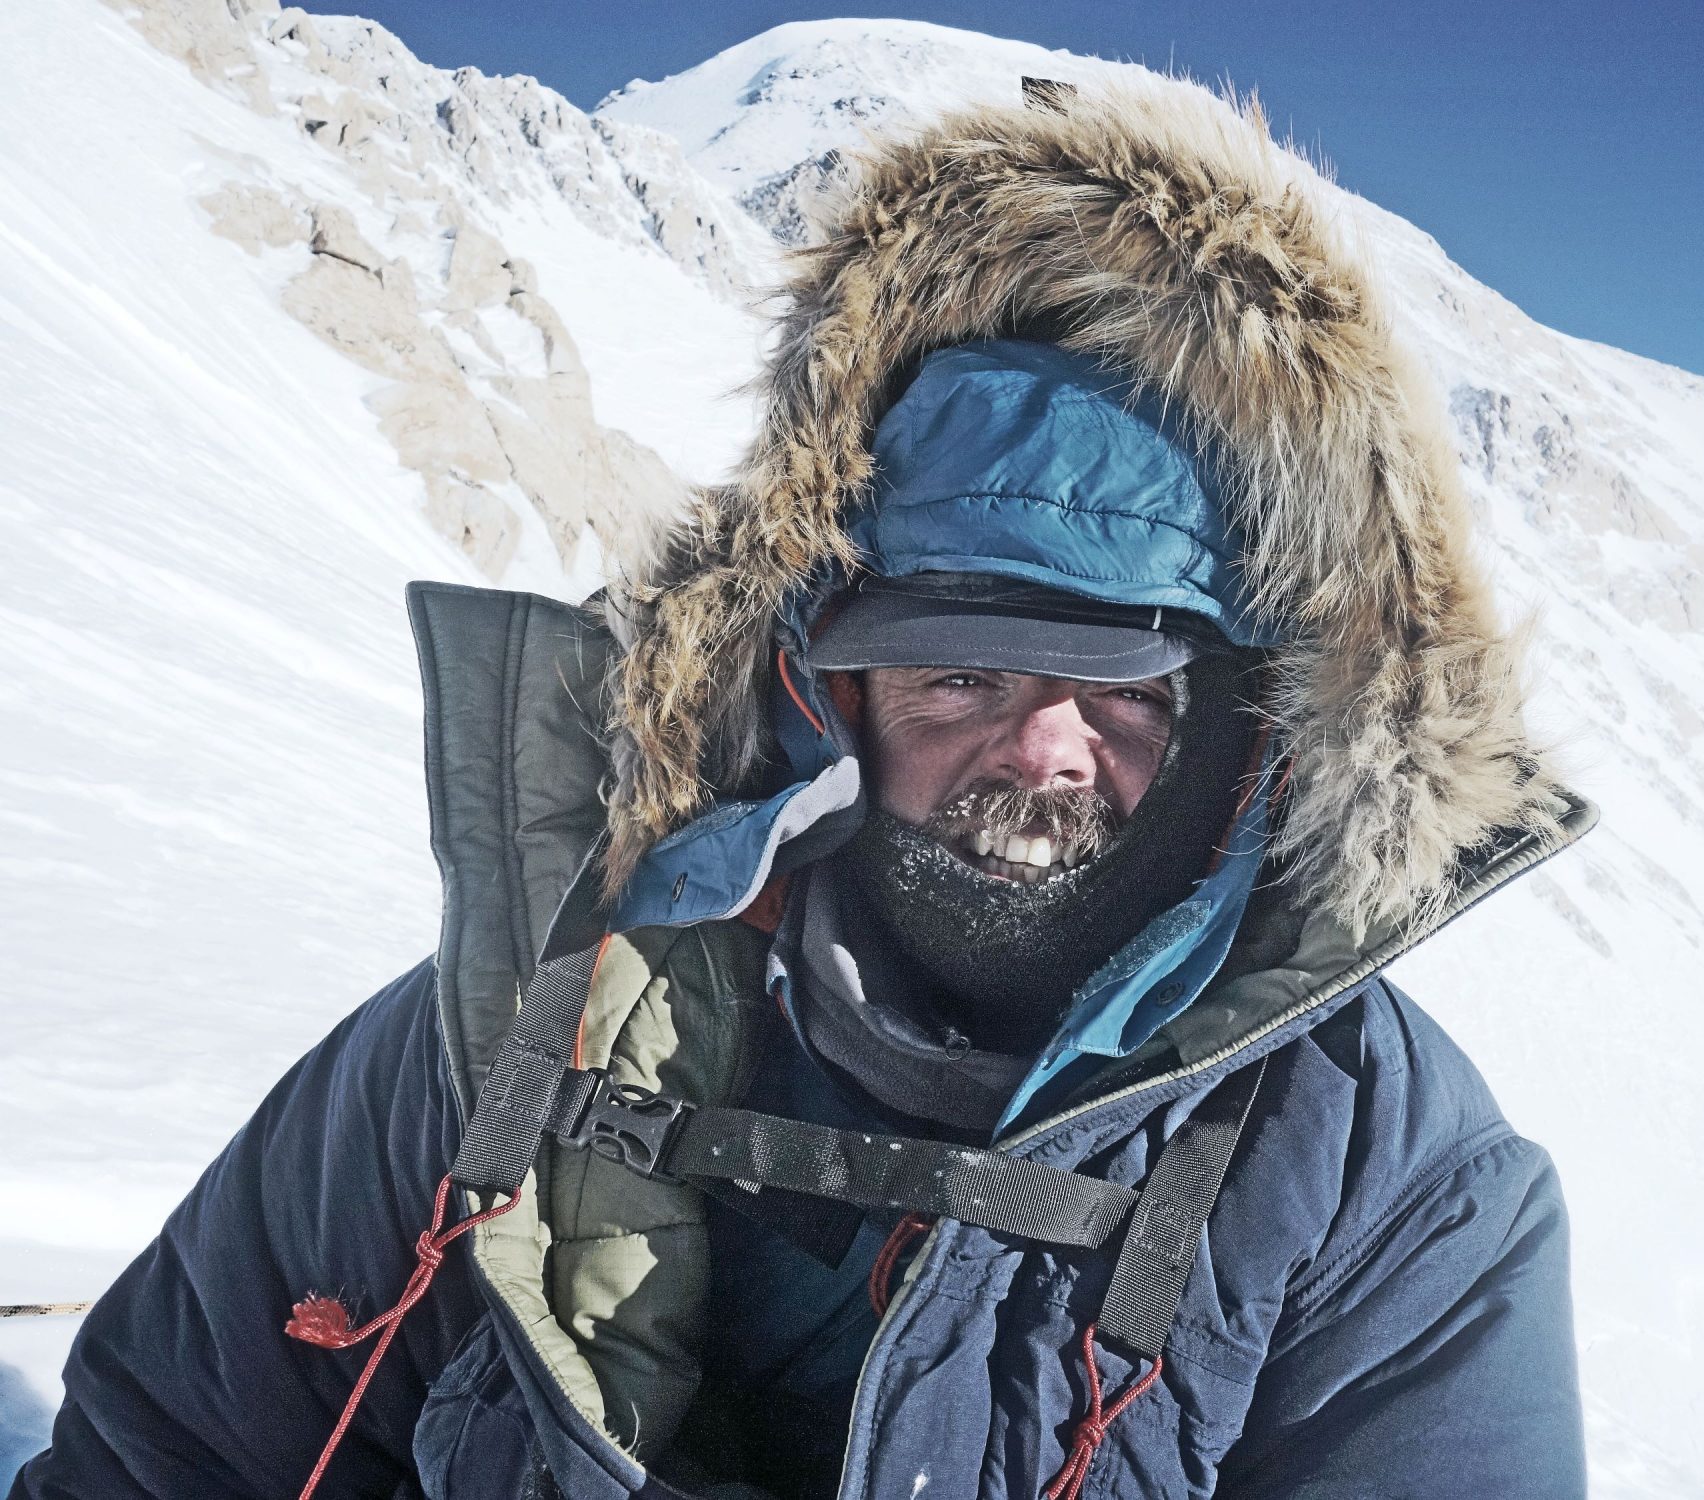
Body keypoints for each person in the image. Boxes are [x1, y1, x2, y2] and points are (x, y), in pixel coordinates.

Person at [11, 75, 1596, 1500]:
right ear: (822, 693)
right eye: (962, 673)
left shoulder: (1382, 1187)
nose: (1044, 751)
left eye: (1123, 692)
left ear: (1254, 730)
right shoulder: (524, 1027)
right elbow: (171, 1451)